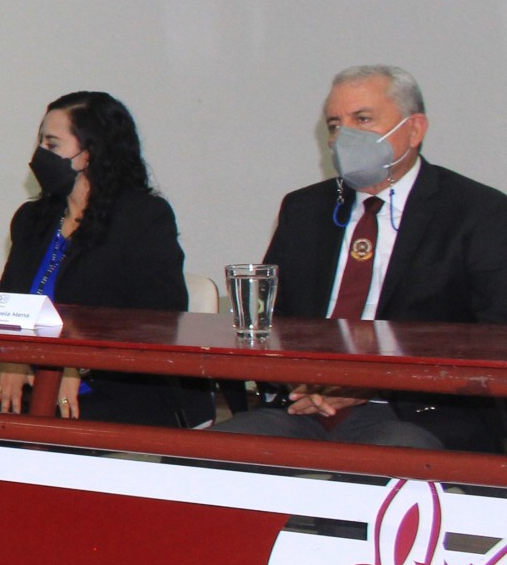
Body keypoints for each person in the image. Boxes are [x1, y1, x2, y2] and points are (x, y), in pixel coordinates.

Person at [215, 65, 507, 452]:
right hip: (305, 405)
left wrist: (373, 381)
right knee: (206, 455)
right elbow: (278, 320)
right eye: (335, 124)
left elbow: (493, 338)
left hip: (416, 410)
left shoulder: (478, 212)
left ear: (415, 129)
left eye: (363, 119)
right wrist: (304, 379)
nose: (344, 137)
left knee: (375, 467)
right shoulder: (306, 208)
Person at [0, 92, 199, 472]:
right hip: (34, 381)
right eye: (41, 142)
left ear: (89, 153)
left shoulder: (144, 216)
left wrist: (76, 365)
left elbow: (159, 316)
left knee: (28, 446)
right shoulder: (33, 219)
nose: (40, 155)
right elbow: (10, 306)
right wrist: (9, 361)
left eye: (52, 144)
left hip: (116, 386)